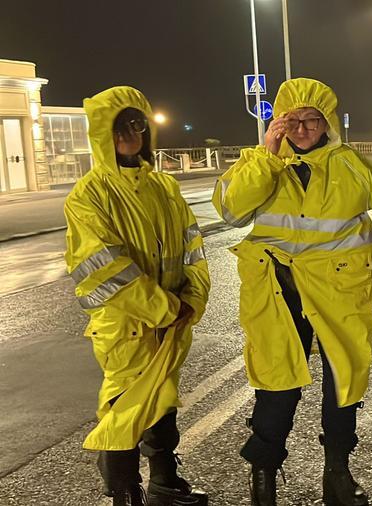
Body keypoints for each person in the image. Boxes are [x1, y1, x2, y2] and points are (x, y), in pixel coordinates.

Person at [213, 78, 372, 506]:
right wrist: (267, 155)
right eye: (291, 120)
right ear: (278, 123)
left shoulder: (353, 165)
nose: (301, 129)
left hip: (339, 288)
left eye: (311, 120)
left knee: (343, 381)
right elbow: (230, 210)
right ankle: (263, 477)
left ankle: (337, 472)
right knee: (277, 384)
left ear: (327, 123)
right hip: (276, 289)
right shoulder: (258, 164)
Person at [64, 86, 211, 506]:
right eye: (120, 125)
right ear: (101, 134)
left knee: (163, 400)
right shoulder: (89, 195)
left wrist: (192, 300)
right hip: (126, 327)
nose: (130, 133)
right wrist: (167, 308)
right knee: (124, 410)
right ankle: (123, 492)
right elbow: (104, 268)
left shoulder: (163, 187)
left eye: (137, 123)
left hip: (171, 320)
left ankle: (165, 482)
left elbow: (192, 249)